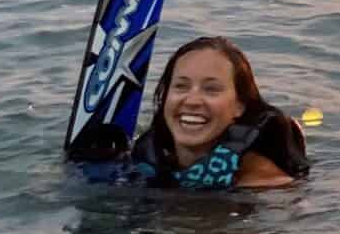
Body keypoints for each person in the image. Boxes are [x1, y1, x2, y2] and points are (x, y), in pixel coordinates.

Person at [130, 36, 310, 190]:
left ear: (240, 106)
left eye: (211, 89)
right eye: (181, 86)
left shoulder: (263, 183)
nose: (192, 101)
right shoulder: (145, 156)